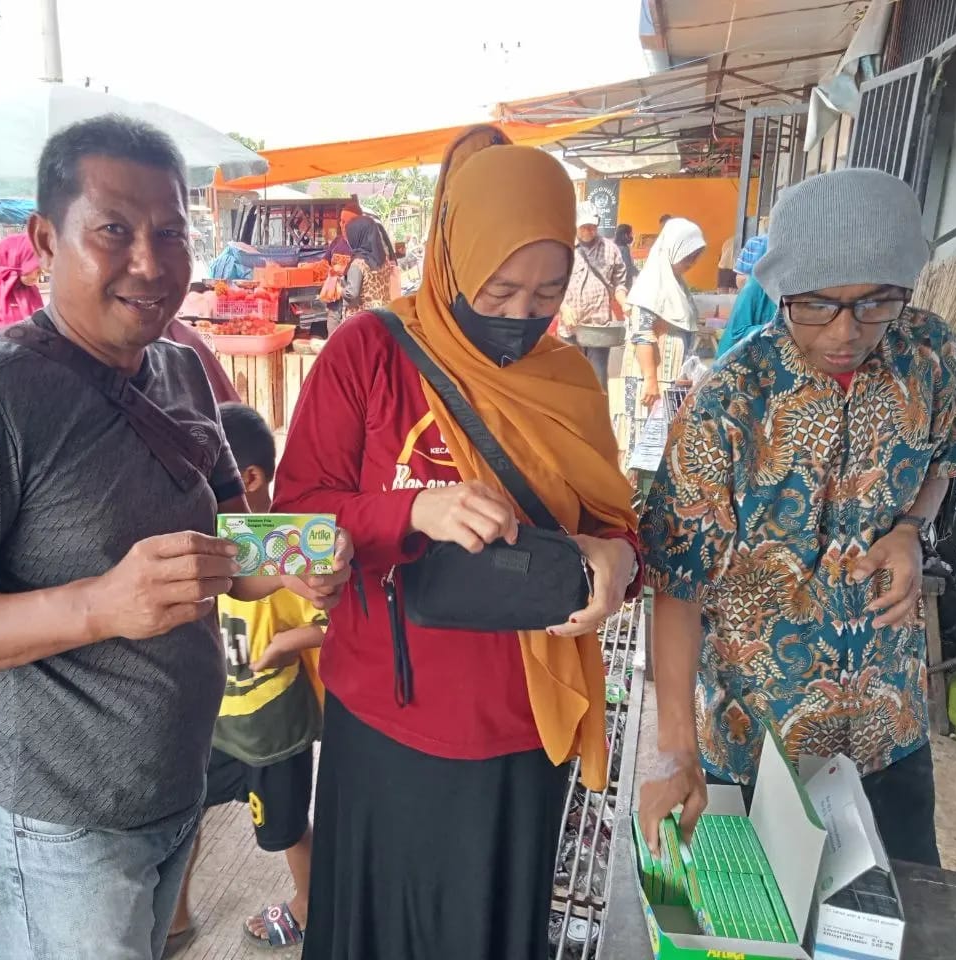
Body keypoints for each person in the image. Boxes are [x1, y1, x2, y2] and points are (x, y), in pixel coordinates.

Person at [0, 117, 350, 960]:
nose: (150, 263)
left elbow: (223, 546)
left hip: (175, 786)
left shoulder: (181, 368)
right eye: (114, 231)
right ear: (47, 240)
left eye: (171, 234)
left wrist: (302, 556)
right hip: (60, 824)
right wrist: (99, 605)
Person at [272, 126, 640, 960]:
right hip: (386, 727)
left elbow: (611, 522)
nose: (519, 315)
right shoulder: (368, 352)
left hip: (521, 729)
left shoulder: (566, 379)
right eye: (499, 287)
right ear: (451, 256)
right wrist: (412, 511)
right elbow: (291, 527)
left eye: (546, 292)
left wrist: (621, 560)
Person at [637, 169, 956, 868]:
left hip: (887, 724)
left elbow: (943, 459)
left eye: (875, 302)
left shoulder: (930, 355)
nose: (846, 331)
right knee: (758, 916)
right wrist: (675, 749)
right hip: (756, 736)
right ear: (781, 288)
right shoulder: (731, 397)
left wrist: (911, 529)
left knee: (902, 907)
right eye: (817, 305)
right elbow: (677, 580)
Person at [168, 403, 325, 956]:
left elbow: (332, 621)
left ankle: (308, 905)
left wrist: (285, 643)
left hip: (273, 730)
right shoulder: (199, 545)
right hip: (212, 725)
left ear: (248, 478)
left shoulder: (284, 546)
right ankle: (174, 918)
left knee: (287, 829)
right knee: (184, 819)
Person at [618, 218, 706, 465]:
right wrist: (650, 380)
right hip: (652, 379)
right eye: (688, 255)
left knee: (666, 437)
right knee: (646, 437)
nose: (692, 262)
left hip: (671, 376)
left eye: (695, 256)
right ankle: (637, 487)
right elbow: (642, 335)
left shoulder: (676, 285)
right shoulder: (651, 286)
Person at [560, 201, 629, 391]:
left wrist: (624, 303)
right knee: (570, 384)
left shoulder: (610, 249)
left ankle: (596, 410)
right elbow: (554, 285)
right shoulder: (565, 249)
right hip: (570, 329)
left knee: (598, 383)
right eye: (584, 226)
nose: (589, 230)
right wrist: (564, 308)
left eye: (592, 226)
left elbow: (620, 283)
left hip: (599, 329)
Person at [338, 215, 395, 327]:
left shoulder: (358, 264)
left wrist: (339, 290)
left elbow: (352, 294)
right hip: (382, 317)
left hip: (361, 322)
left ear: (358, 236)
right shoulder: (383, 260)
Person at [715, 273, 778, 359]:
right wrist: (776, 328)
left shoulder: (792, 290)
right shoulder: (755, 286)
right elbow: (737, 331)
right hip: (735, 358)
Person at [614, 223, 637, 287]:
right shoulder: (624, 249)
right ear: (625, 235)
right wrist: (640, 273)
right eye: (631, 234)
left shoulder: (614, 246)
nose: (632, 236)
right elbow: (628, 267)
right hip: (624, 283)